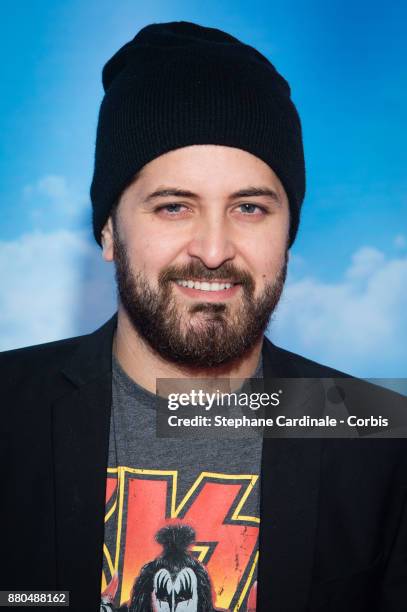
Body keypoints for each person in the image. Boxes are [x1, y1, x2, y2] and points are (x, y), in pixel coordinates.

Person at [1, 21, 406, 612]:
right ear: (110, 230)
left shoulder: (381, 434)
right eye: (173, 206)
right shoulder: (9, 411)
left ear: (287, 233)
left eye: (249, 207)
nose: (213, 249)